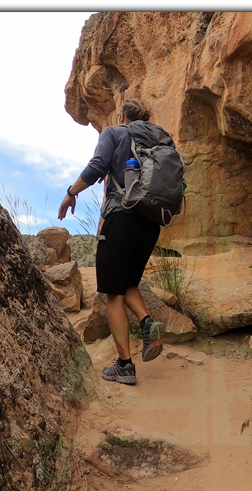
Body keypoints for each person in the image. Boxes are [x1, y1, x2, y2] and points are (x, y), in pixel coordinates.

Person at [58, 98, 166, 385]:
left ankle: (125, 365)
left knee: (111, 293)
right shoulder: (158, 140)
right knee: (126, 282)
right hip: (151, 223)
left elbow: (98, 165)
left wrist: (72, 191)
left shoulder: (114, 133)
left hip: (122, 218)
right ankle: (147, 322)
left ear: (121, 116)